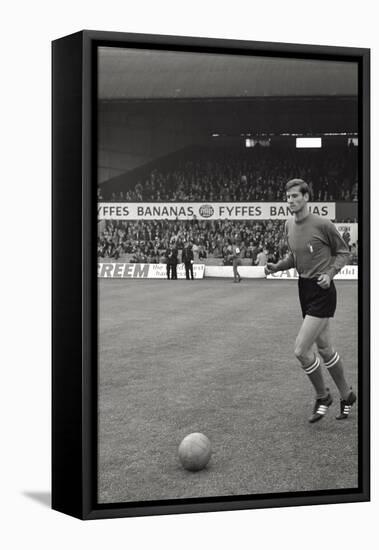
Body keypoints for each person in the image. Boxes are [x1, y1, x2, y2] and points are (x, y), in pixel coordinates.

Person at [265, 178, 356, 423]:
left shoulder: (323, 224)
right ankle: (347, 394)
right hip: (304, 289)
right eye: (288, 197)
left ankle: (322, 395)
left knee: (301, 350)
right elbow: (294, 257)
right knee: (325, 349)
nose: (291, 201)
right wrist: (277, 266)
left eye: (295, 196)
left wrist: (329, 273)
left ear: (306, 197)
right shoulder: (288, 225)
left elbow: (344, 252)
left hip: (322, 290)